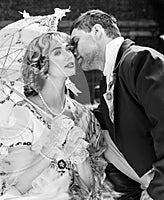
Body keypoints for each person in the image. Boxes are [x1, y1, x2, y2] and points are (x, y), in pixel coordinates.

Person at [0, 32, 119, 200]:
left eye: (68, 49)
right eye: (58, 52)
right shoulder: (23, 114)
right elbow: (17, 186)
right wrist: (51, 147)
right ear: (41, 65)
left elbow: (91, 189)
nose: (68, 55)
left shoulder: (83, 115)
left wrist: (79, 155)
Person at [70, 9, 164, 199]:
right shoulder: (109, 79)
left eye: (75, 41)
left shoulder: (141, 60)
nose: (72, 50)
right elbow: (103, 126)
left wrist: (159, 189)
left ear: (96, 31)